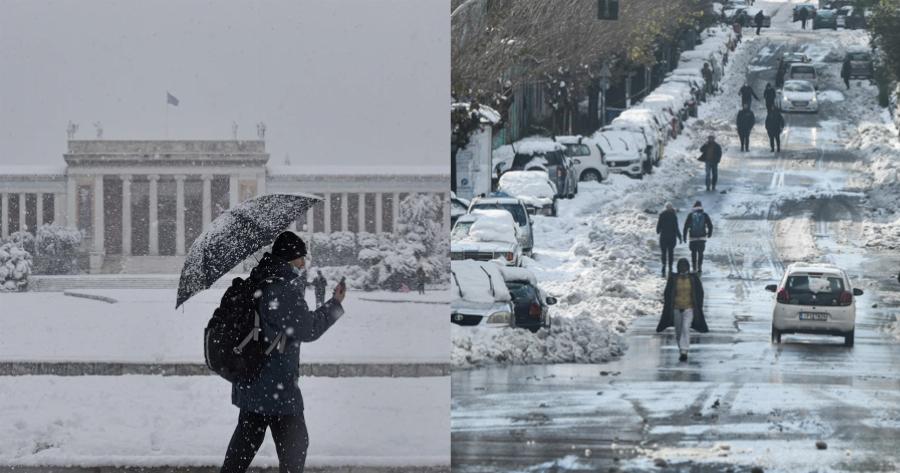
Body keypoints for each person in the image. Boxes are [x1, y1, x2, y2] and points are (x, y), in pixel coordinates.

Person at [221, 231, 346, 473]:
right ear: (291, 258)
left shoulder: (259, 278)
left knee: (244, 446)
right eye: (301, 257)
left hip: (252, 379)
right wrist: (335, 304)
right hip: (275, 385)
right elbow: (308, 328)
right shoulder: (281, 289)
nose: (304, 263)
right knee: (296, 446)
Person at [657, 258, 709, 362]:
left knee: (686, 328)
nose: (683, 268)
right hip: (676, 308)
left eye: (685, 266)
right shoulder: (673, 279)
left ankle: (684, 350)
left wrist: (698, 306)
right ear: (678, 267)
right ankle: (681, 348)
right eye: (681, 266)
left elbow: (700, 293)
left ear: (688, 267)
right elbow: (667, 294)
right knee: (679, 330)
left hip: (689, 308)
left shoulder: (693, 279)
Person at [682, 201, 713, 274]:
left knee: (693, 253)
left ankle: (694, 267)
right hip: (702, 237)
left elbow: (686, 226)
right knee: (700, 253)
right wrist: (709, 234)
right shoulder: (704, 215)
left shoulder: (690, 215)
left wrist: (684, 236)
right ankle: (700, 266)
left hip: (693, 238)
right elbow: (710, 225)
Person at [656, 202, 683, 277]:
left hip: (663, 237)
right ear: (671, 208)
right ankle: (670, 267)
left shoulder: (662, 215)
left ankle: (664, 265)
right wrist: (680, 237)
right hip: (672, 238)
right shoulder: (673, 216)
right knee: (671, 252)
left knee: (663, 252)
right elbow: (676, 228)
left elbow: (658, 227)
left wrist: (658, 230)